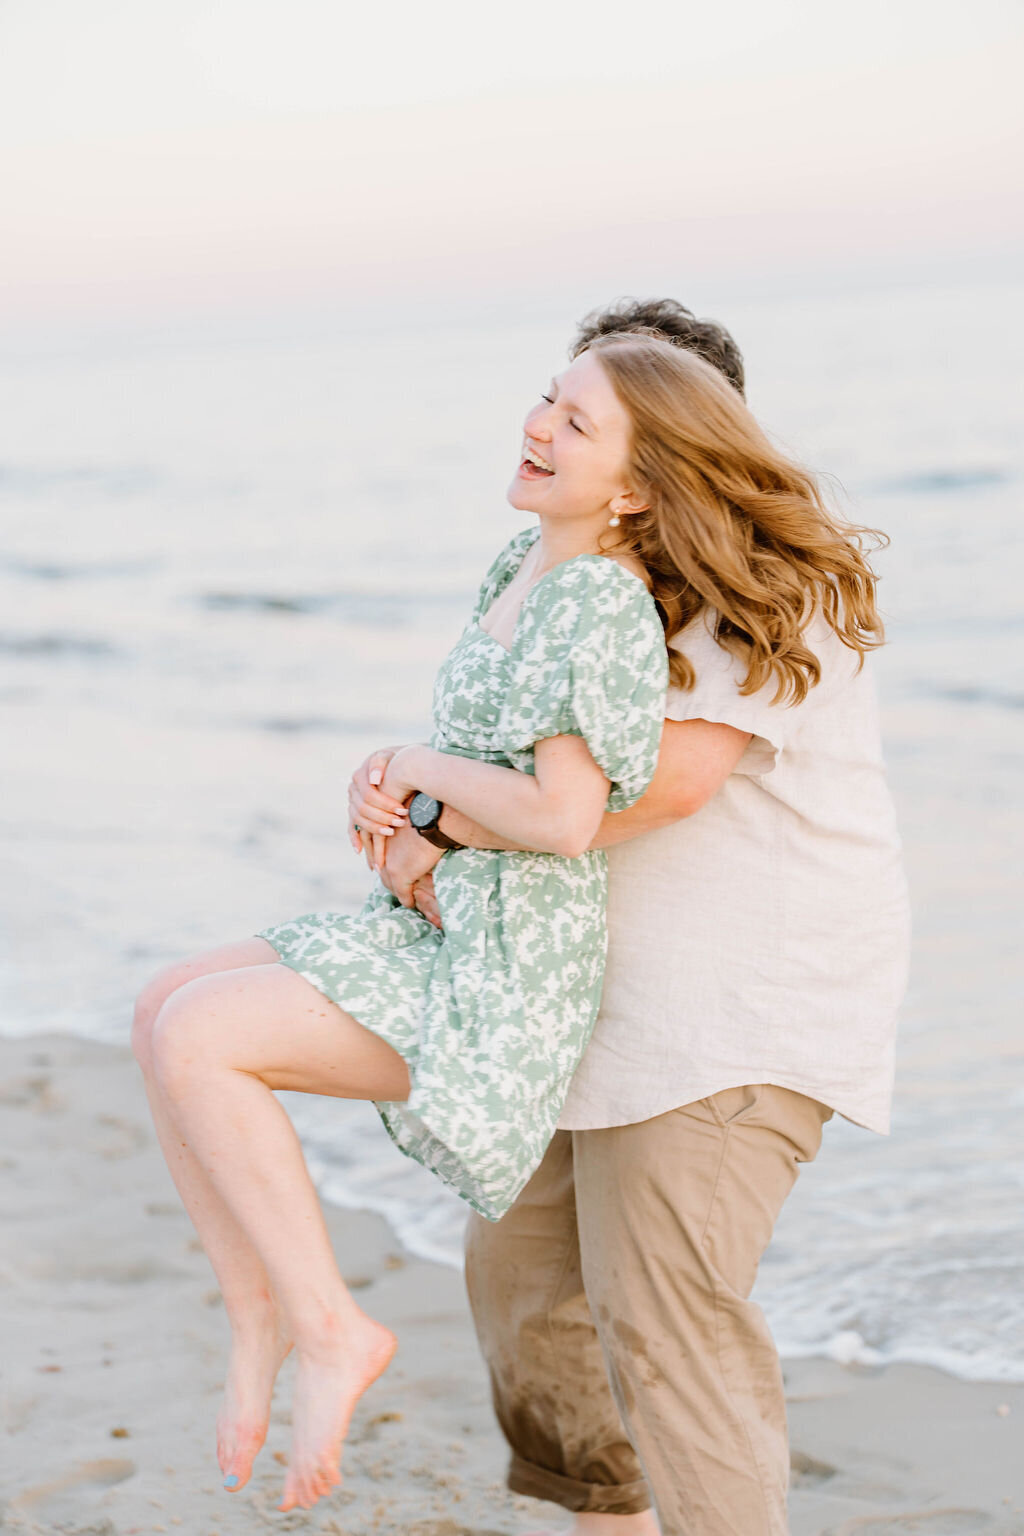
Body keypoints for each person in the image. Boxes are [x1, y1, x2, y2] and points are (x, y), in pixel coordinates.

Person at [349, 299, 910, 1536]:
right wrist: (409, 809)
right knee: (522, 1283)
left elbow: (653, 793)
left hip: (738, 1014)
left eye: (597, 411)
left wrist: (436, 814)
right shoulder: (590, 587)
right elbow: (509, 762)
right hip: (587, 993)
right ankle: (607, 1515)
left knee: (666, 1317)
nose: (555, 426)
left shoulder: (771, 592)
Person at [130, 332, 683, 1513]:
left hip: (504, 967)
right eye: (548, 399)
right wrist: (395, 791)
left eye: (577, 426)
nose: (538, 426)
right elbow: (478, 775)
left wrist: (413, 762)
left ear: (633, 488)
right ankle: (259, 1323)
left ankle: (332, 1330)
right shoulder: (518, 568)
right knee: (155, 1008)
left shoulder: (596, 600)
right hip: (438, 923)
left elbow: (565, 816)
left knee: (201, 1038)